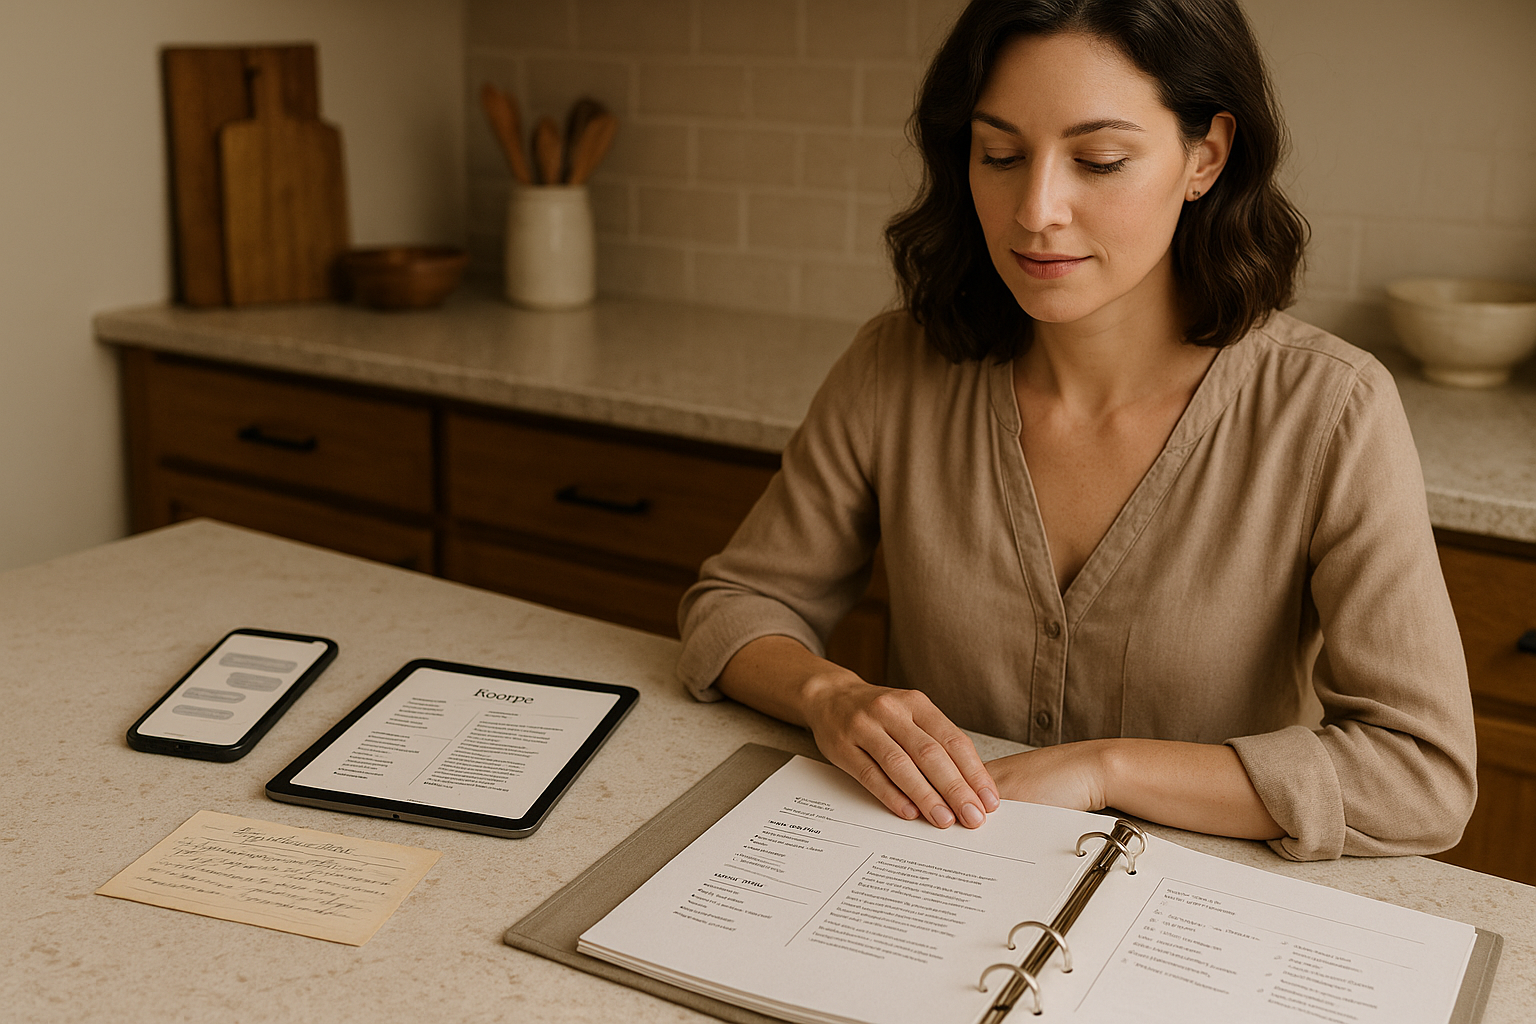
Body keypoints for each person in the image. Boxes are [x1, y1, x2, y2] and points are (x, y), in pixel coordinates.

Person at [677, 0, 1476, 862]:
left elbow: (1421, 776)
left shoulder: (1330, 410)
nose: (1036, 210)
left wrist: (1106, 772)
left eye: (1098, 160)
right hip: (920, 885)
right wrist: (830, 695)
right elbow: (736, 607)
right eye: (1001, 155)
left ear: (1204, 156)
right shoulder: (894, 366)